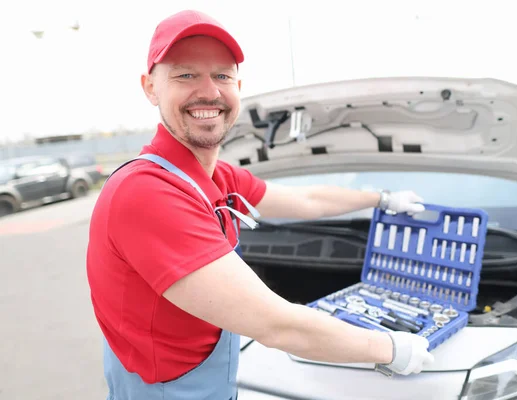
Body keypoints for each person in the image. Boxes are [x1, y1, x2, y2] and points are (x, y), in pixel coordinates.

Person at [86, 9, 434, 400]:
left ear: (238, 85)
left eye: (222, 75)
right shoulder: (147, 192)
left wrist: (381, 199)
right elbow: (276, 325)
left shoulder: (218, 180)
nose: (209, 91)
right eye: (186, 74)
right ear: (150, 87)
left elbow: (308, 199)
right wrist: (391, 349)